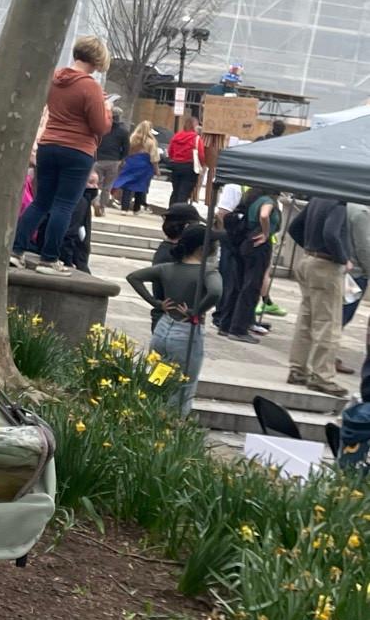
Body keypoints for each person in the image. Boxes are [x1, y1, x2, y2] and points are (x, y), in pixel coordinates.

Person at [11, 36, 111, 273]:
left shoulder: (54, 78)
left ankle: (16, 250)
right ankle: (49, 259)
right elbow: (100, 126)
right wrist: (106, 109)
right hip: (77, 149)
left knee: (40, 202)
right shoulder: (90, 86)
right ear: (97, 59)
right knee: (64, 205)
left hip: (48, 145)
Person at [127, 223, 221, 414]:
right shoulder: (207, 271)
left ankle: (148, 415)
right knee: (183, 386)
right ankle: (170, 423)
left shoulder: (167, 268)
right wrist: (196, 311)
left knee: (158, 378)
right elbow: (215, 292)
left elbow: (134, 277)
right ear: (202, 248)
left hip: (163, 328)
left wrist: (156, 303)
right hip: (186, 333)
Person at [287, 198, 366, 396]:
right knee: (328, 324)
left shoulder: (317, 199)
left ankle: (298, 369)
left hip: (308, 259)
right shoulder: (339, 203)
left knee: (306, 320)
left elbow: (294, 227)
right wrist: (343, 258)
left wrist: (310, 248)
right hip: (326, 266)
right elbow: (331, 233)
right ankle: (322, 376)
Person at [214, 185, 281, 341]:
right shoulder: (267, 201)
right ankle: (239, 329)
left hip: (245, 243)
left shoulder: (251, 199)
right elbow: (264, 215)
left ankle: (226, 324)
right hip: (259, 245)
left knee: (237, 285)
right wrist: (265, 233)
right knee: (251, 287)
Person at [112, 121, 158, 213]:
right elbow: (154, 157)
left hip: (131, 163)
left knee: (127, 185)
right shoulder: (151, 142)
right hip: (144, 165)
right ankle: (136, 208)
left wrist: (122, 162)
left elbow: (125, 151)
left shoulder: (132, 139)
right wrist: (156, 169)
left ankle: (124, 208)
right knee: (140, 186)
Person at [93, 100, 129, 214]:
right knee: (107, 186)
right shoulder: (123, 131)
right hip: (114, 160)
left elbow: (95, 141)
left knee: (94, 183)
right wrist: (121, 159)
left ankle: (95, 201)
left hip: (98, 159)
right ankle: (102, 207)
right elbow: (126, 148)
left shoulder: (102, 128)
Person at [166, 113, 205, 207]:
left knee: (176, 190)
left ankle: (171, 210)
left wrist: (174, 158)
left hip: (176, 166)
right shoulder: (196, 138)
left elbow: (170, 151)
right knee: (184, 192)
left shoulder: (176, 136)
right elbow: (200, 154)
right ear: (194, 126)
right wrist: (201, 165)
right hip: (189, 167)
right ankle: (179, 211)